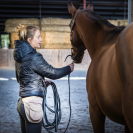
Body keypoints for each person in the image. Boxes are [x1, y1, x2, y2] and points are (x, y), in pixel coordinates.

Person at [14, 24, 74, 133]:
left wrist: (41, 82)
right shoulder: (34, 57)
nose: (41, 39)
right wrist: (68, 68)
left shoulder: (20, 57)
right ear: (29, 40)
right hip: (32, 105)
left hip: (22, 104)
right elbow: (53, 73)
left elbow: (21, 79)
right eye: (38, 37)